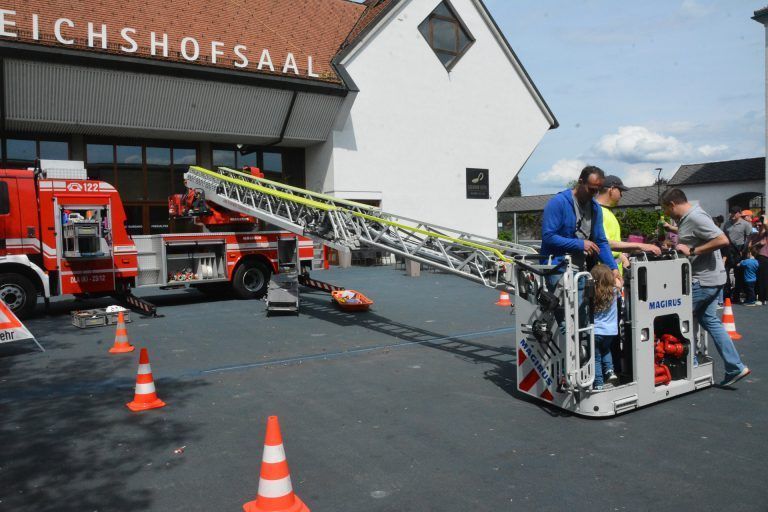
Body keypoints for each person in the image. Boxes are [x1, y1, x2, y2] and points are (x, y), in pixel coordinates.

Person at [660, 188, 751, 387]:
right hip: (713, 279)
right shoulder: (691, 217)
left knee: (675, 319)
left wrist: (693, 250)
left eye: (665, 209)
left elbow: (722, 239)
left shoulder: (695, 217)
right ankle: (735, 366)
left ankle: (689, 364)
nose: (666, 213)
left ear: (672, 204)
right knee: (709, 320)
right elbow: (698, 235)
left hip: (702, 281)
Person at [541, 166, 619, 281]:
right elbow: (548, 236)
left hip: (580, 268)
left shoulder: (595, 208)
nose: (594, 194)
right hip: (556, 268)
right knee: (563, 294)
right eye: (591, 189)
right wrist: (580, 244)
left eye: (597, 190)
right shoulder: (558, 202)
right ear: (581, 182)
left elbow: (600, 242)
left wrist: (613, 267)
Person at [595, 175, 661, 275]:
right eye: (620, 191)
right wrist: (641, 246)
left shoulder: (607, 211)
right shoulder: (597, 211)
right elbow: (605, 243)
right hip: (605, 272)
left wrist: (621, 257)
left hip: (612, 270)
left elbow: (612, 245)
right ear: (612, 189)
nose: (621, 195)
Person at [590, 263, 620, 390]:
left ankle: (598, 383)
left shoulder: (592, 293)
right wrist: (615, 274)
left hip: (596, 331)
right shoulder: (614, 291)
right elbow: (619, 283)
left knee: (596, 357)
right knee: (606, 350)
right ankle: (609, 371)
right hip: (611, 331)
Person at [723, 206, 752, 303]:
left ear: (739, 213)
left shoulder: (745, 224)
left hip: (740, 250)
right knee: (726, 273)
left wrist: (743, 250)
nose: (732, 214)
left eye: (735, 212)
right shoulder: (727, 224)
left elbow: (748, 238)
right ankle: (726, 296)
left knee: (739, 275)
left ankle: (736, 296)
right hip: (729, 250)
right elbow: (724, 237)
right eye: (731, 212)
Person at [750, 215, 768, 305]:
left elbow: (766, 224)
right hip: (757, 257)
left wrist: (764, 219)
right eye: (756, 225)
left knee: (763, 278)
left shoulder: (766, 233)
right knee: (758, 277)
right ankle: (757, 297)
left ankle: (762, 298)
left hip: (764, 257)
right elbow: (750, 246)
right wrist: (757, 244)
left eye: (760, 225)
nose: (758, 226)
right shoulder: (755, 235)